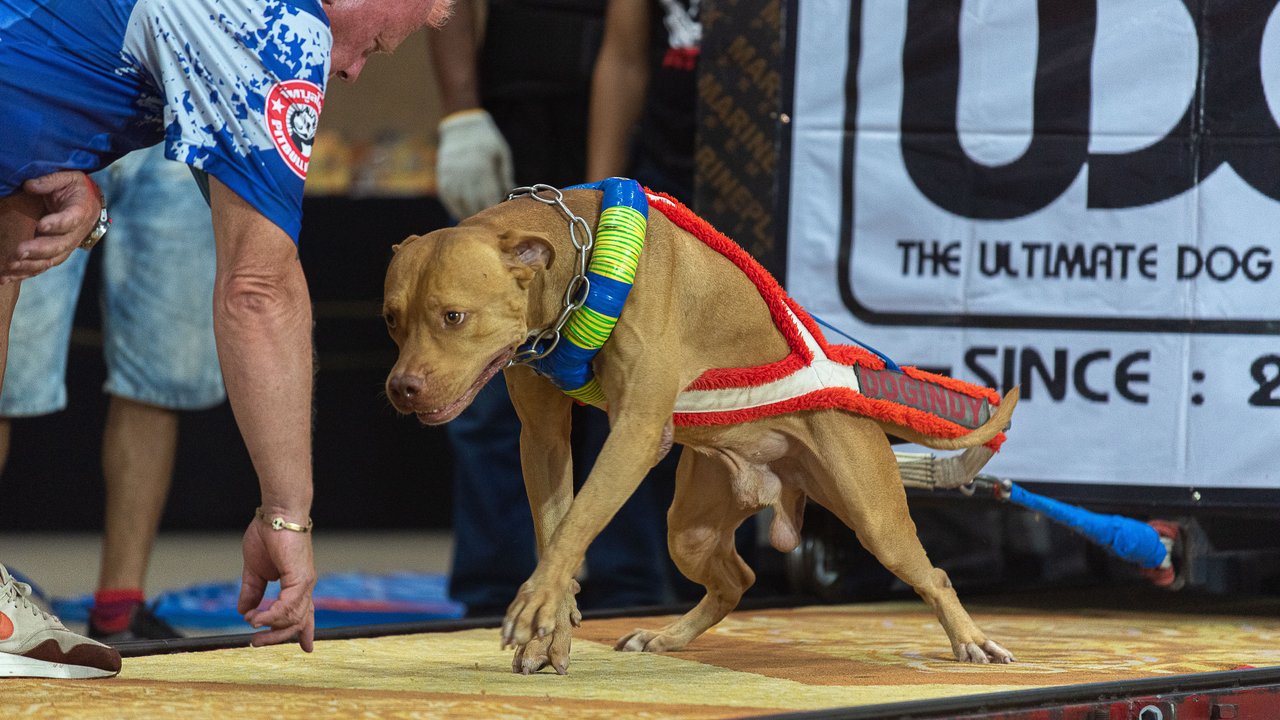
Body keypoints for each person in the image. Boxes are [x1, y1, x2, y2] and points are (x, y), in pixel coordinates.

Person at [0, 0, 452, 679]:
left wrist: (66, 157)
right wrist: (287, 514)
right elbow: (258, 290)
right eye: (377, 45)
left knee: (12, 234)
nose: (354, 70)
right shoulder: (284, 27)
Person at [428, 0, 679, 616]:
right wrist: (460, 110)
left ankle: (631, 584)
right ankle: (495, 587)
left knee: (629, 371)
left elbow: (628, 44)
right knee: (484, 353)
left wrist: (600, 204)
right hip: (513, 114)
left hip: (629, 124)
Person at [0, 143, 222, 643]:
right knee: (7, 363)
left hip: (175, 124)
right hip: (57, 111)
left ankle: (119, 608)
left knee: (160, 371)